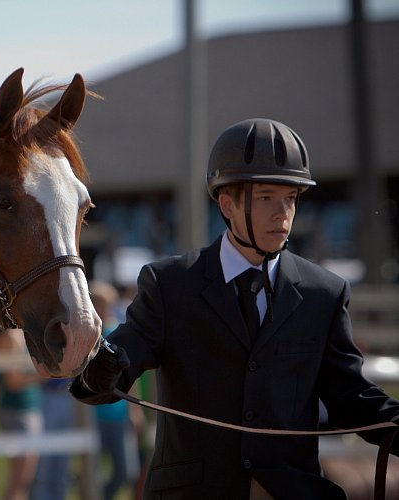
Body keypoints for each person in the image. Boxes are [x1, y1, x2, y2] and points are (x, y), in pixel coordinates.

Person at [70, 118, 399, 499]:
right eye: (265, 198)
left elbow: (350, 396)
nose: (283, 213)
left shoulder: (325, 293)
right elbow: (117, 366)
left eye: (290, 198)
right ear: (226, 204)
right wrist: (94, 367)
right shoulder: (169, 285)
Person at [90, 281, 142, 500]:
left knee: (127, 471)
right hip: (95, 416)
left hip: (118, 414)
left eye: (107, 304)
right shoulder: (87, 336)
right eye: (100, 304)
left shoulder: (117, 332)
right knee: (93, 471)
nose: (105, 309)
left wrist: (135, 410)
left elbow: (130, 376)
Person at [0, 327, 43, 500]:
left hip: (26, 409)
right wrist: (43, 376)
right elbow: (12, 382)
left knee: (23, 479)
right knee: (20, 479)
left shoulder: (22, 335)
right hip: (17, 411)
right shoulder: (10, 337)